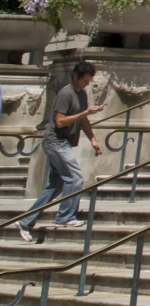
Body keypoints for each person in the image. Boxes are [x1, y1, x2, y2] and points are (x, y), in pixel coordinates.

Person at [18, 60, 102, 243]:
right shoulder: (66, 93)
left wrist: (93, 140)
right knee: (75, 177)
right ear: (75, 77)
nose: (86, 84)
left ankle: (26, 222)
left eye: (88, 82)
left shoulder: (82, 94)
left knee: (55, 185)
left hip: (63, 143)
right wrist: (84, 113)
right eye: (84, 81)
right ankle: (65, 217)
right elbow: (60, 122)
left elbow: (84, 121)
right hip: (55, 142)